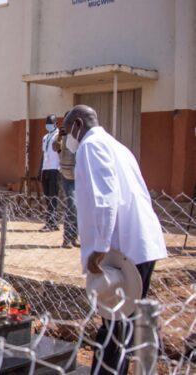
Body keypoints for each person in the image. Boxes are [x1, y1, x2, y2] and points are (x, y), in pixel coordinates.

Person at [63, 105, 167, 374]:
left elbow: (104, 199)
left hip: (124, 249)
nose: (67, 140)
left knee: (114, 325)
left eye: (66, 132)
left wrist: (100, 248)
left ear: (77, 125)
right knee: (124, 323)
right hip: (140, 243)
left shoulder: (91, 146)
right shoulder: (118, 146)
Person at [53, 113, 79, 248]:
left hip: (79, 177)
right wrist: (59, 136)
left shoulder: (78, 135)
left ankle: (75, 237)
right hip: (66, 176)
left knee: (78, 208)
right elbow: (55, 148)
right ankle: (67, 238)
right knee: (72, 205)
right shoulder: (62, 136)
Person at [40, 115, 61, 232]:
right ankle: (51, 221)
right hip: (46, 169)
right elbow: (43, 154)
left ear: (56, 123)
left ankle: (51, 223)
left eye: (50, 123)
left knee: (53, 197)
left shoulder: (58, 136)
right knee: (47, 197)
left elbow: (59, 151)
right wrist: (40, 171)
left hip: (55, 168)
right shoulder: (45, 137)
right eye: (47, 123)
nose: (48, 125)